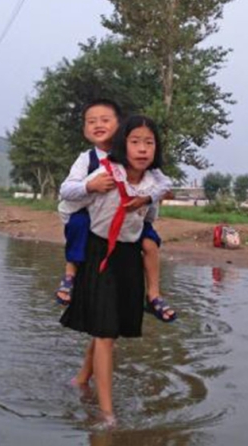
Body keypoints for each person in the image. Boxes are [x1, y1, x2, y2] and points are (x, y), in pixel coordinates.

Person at [58, 115, 173, 426]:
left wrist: (147, 198)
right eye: (135, 141)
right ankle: (107, 414)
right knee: (106, 332)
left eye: (149, 143)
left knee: (107, 328)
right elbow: (68, 194)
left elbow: (161, 198)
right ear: (123, 144)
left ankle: (82, 378)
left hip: (128, 255)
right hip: (99, 253)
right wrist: (89, 186)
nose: (142, 148)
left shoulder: (153, 182)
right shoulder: (107, 171)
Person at [55, 99, 175, 322]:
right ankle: (70, 276)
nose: (98, 125)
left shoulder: (137, 156)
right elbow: (66, 190)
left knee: (149, 244)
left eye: (105, 120)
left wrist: (146, 198)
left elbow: (165, 184)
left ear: (120, 126)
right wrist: (90, 186)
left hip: (132, 220)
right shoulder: (88, 160)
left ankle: (154, 294)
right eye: (91, 121)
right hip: (93, 218)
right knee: (79, 226)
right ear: (84, 129)